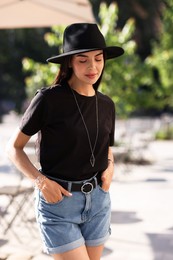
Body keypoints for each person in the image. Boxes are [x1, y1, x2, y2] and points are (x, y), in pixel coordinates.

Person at [6, 23, 124, 260]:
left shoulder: (106, 104)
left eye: (98, 58)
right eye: (83, 60)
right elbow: (13, 148)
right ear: (69, 62)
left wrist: (110, 167)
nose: (93, 66)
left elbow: (105, 148)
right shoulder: (49, 99)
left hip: (98, 201)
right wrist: (41, 182)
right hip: (59, 202)